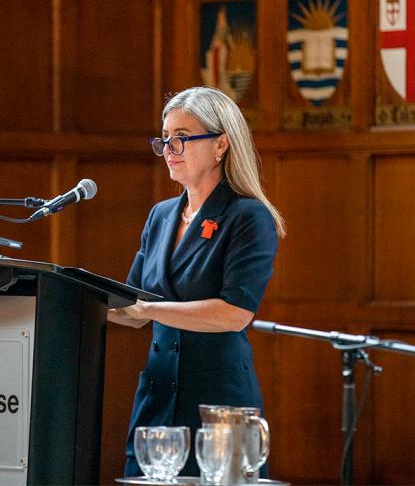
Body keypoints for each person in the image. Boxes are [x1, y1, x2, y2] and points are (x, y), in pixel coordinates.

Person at [108, 86, 286, 478]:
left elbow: (234, 314)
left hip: (218, 408)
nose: (170, 149)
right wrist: (66, 301)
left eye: (182, 139)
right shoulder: (161, 215)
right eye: (165, 139)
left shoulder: (247, 217)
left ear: (221, 144)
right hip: (156, 402)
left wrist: (150, 309)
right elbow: (131, 307)